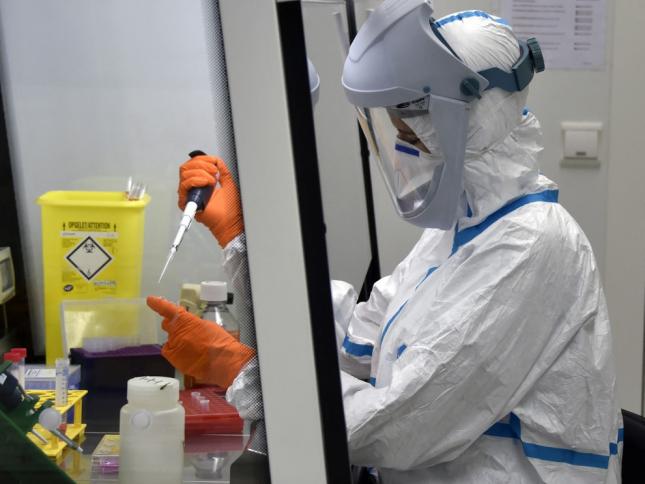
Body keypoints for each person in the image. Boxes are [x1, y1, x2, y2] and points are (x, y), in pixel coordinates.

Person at [148, 3, 622, 483]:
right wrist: (240, 239)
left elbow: (396, 426)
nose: (402, 153)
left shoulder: (531, 245)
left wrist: (238, 368)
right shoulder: (458, 231)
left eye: (412, 135)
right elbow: (351, 344)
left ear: (468, 122)